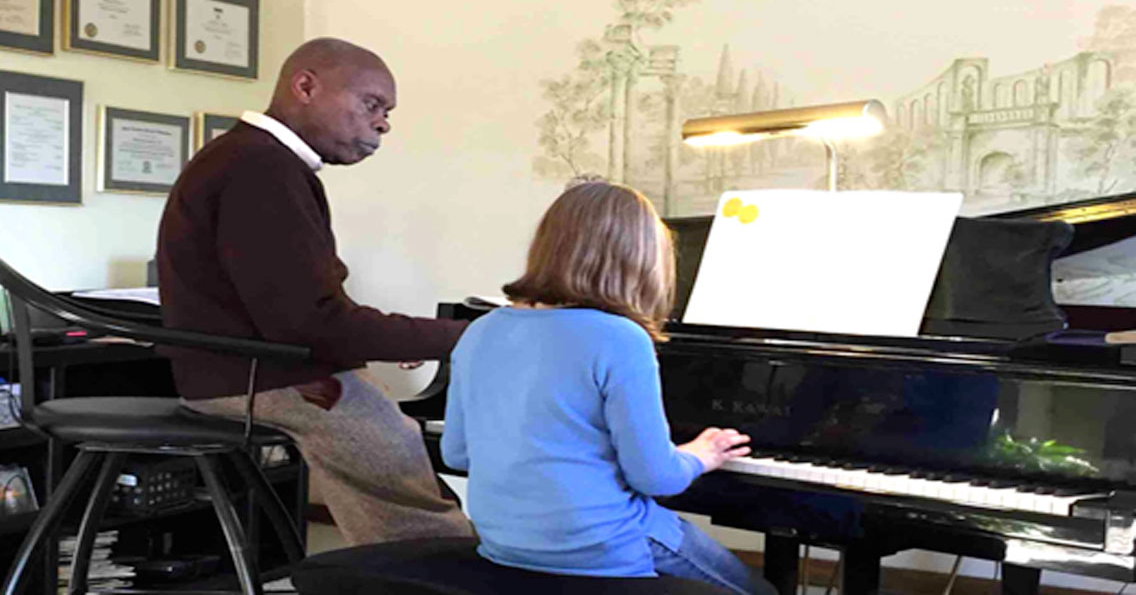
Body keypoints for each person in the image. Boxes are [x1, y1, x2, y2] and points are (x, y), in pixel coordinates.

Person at [156, 37, 474, 546]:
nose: (383, 124)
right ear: (305, 87)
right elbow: (310, 324)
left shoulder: (250, 158)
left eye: (387, 112)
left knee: (400, 454)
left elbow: (305, 310)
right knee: (400, 466)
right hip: (260, 377)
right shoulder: (260, 167)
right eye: (372, 105)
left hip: (252, 368)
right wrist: (466, 336)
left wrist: (400, 338)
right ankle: (443, 574)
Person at [440, 182, 776, 594]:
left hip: (506, 545)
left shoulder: (480, 331)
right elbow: (657, 478)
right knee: (760, 591)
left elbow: (456, 454)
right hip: (600, 547)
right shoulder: (620, 337)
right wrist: (700, 455)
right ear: (639, 259)